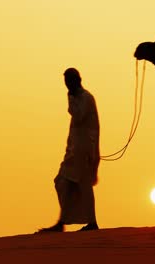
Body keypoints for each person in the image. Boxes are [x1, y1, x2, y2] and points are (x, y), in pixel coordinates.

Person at [37, 68, 100, 233]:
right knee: (62, 182)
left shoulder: (85, 98)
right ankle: (64, 221)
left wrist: (71, 99)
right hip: (75, 150)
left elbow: (78, 116)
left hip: (85, 149)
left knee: (83, 185)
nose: (67, 86)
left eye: (69, 81)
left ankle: (90, 223)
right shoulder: (79, 97)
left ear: (76, 80)